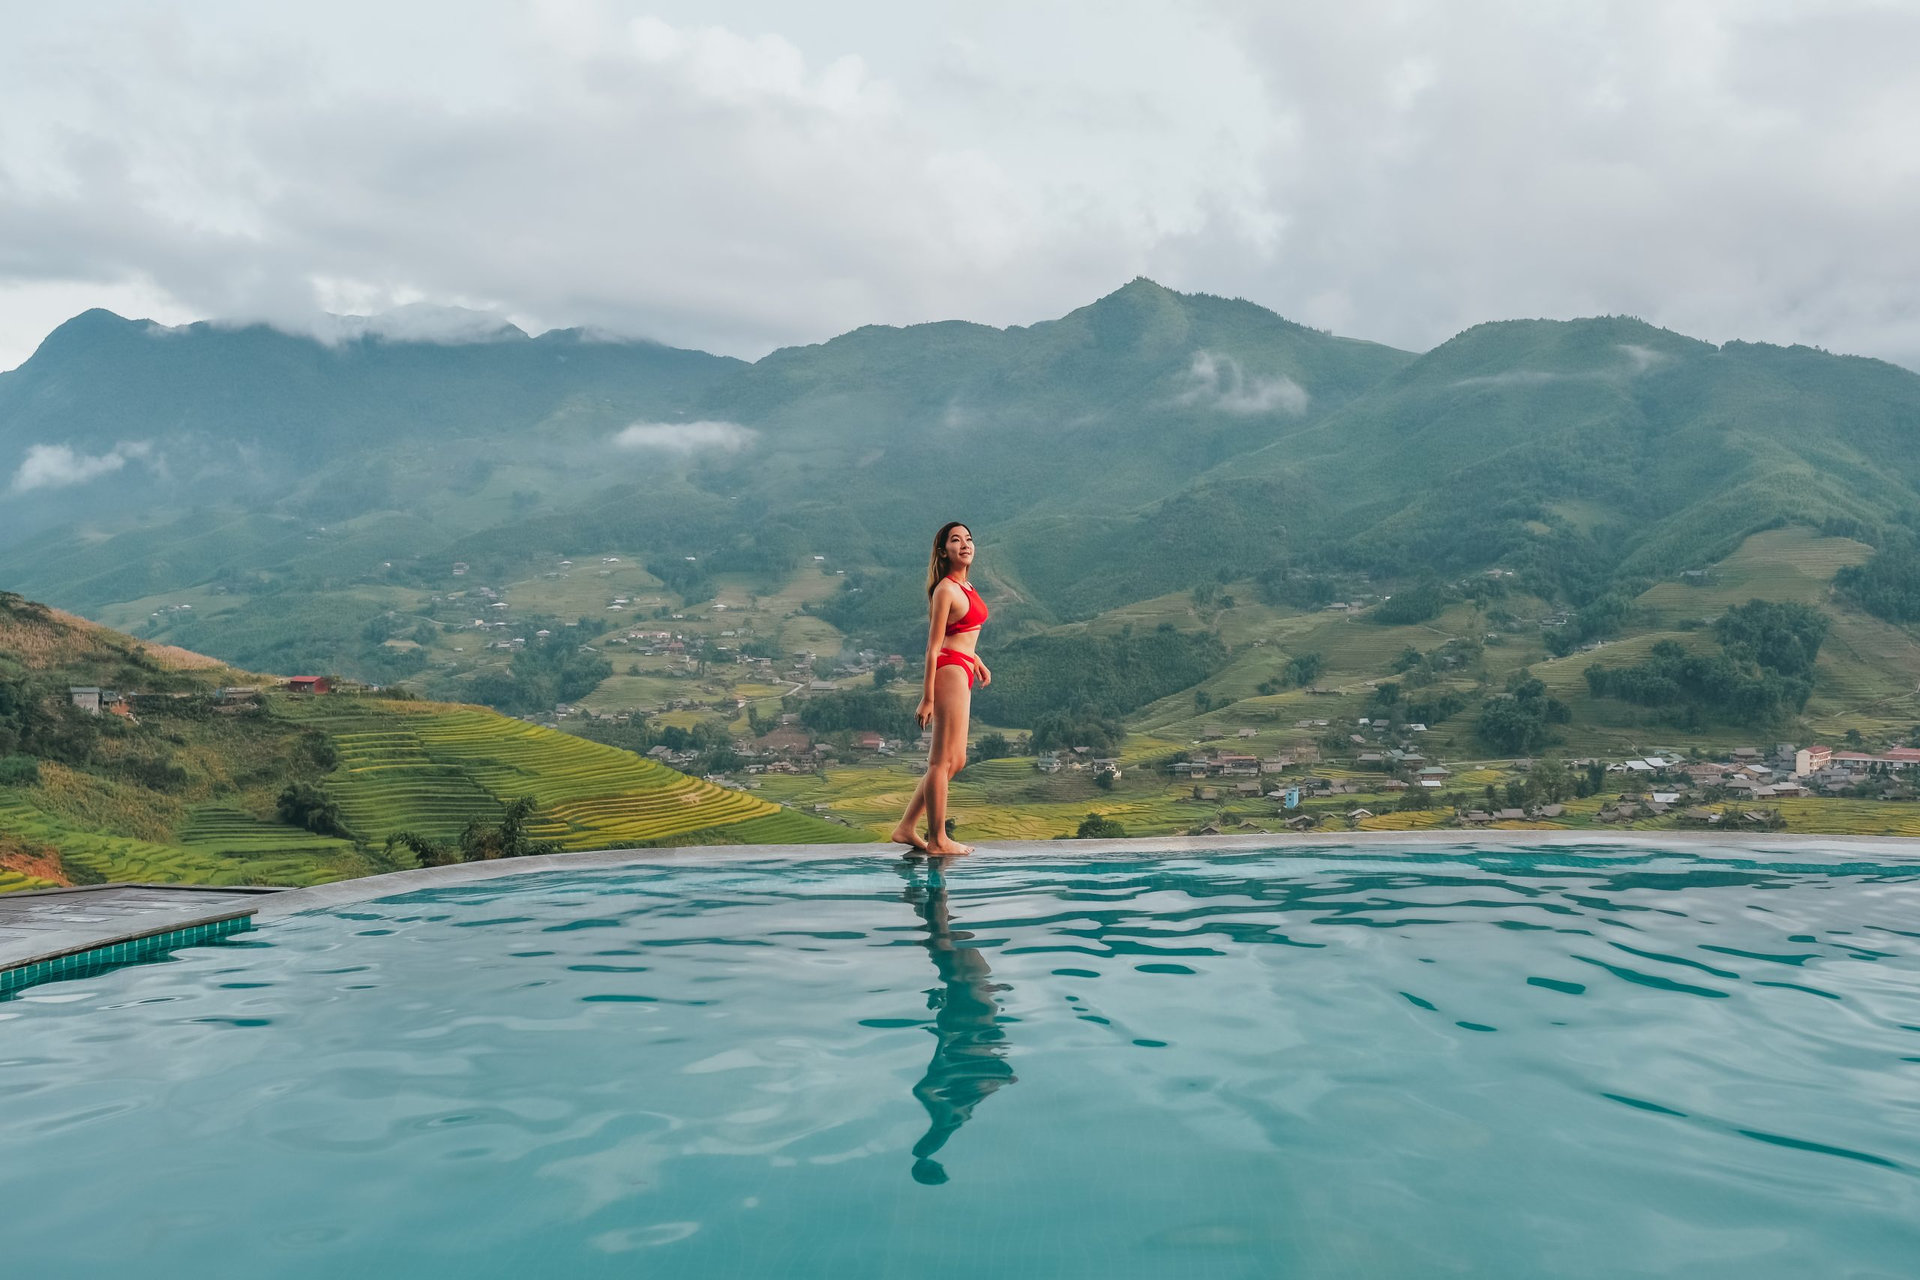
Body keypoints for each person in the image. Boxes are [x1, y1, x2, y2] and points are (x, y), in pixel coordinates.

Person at [889, 521, 990, 856]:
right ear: (943, 551)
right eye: (955, 540)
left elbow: (960, 632)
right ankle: (937, 839)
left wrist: (975, 658)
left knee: (956, 760)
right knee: (939, 760)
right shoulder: (945, 590)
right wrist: (927, 697)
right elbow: (933, 647)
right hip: (947, 670)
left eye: (969, 539)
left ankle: (906, 827)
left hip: (963, 667)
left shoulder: (968, 586)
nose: (965, 544)